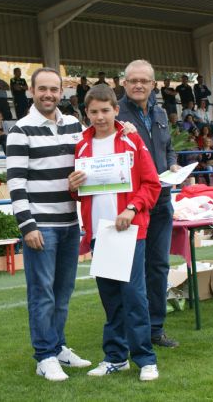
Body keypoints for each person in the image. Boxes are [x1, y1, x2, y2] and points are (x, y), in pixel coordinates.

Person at [68, 84, 160, 381]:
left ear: (116, 110)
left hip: (129, 230)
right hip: (100, 232)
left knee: (133, 295)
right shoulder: (82, 146)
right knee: (110, 298)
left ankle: (145, 359)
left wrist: (132, 209)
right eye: (93, 111)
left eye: (105, 110)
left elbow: (152, 184)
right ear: (86, 113)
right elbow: (80, 194)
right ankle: (115, 357)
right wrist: (72, 186)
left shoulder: (130, 139)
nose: (100, 117)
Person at [6, 67, 92, 381]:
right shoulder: (21, 129)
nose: (49, 95)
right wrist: (27, 225)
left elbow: (89, 162)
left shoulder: (74, 125)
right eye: (42, 89)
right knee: (42, 293)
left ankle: (57, 347)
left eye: (54, 89)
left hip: (70, 223)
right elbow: (16, 182)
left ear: (61, 92)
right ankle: (44, 356)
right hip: (41, 226)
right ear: (31, 91)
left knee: (63, 291)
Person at [117, 59, 180, 348]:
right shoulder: (115, 113)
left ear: (153, 84)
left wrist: (173, 165)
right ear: (124, 83)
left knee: (159, 266)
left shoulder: (160, 112)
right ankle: (132, 330)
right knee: (132, 269)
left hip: (163, 200)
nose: (139, 85)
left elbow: (168, 148)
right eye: (133, 80)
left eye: (144, 81)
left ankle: (155, 328)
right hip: (134, 203)